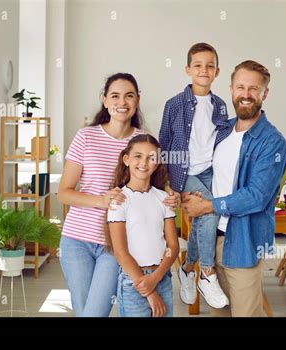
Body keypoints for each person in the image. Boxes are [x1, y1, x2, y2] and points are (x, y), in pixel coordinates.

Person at [57, 73, 180, 317]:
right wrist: (100, 200)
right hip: (76, 241)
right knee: (84, 313)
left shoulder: (141, 141)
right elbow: (64, 193)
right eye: (114, 95)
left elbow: (153, 186)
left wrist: (171, 196)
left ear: (137, 101)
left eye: (129, 96)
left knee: (94, 313)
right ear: (104, 100)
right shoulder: (86, 136)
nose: (121, 102)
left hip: (115, 246)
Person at [182, 60, 286, 317]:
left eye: (254, 89)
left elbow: (256, 197)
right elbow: (200, 168)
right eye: (240, 87)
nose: (246, 94)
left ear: (265, 93)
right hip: (211, 239)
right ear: (230, 88)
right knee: (219, 314)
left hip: (243, 243)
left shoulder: (272, 142)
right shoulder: (222, 130)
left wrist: (207, 206)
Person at [159, 42, 231, 309]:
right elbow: (164, 141)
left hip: (211, 171)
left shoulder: (221, 105)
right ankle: (207, 272)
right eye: (198, 65)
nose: (204, 70)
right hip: (184, 171)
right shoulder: (174, 104)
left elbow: (223, 140)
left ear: (217, 71)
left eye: (210, 65)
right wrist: (168, 183)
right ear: (188, 69)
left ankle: (188, 267)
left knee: (207, 215)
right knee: (210, 210)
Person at [107, 134, 179, 317]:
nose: (144, 162)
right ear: (126, 159)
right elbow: (120, 252)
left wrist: (155, 279)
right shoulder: (119, 200)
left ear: (157, 163)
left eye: (151, 158)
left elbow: (173, 246)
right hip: (133, 281)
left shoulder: (164, 198)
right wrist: (149, 290)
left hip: (162, 277)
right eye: (138, 156)